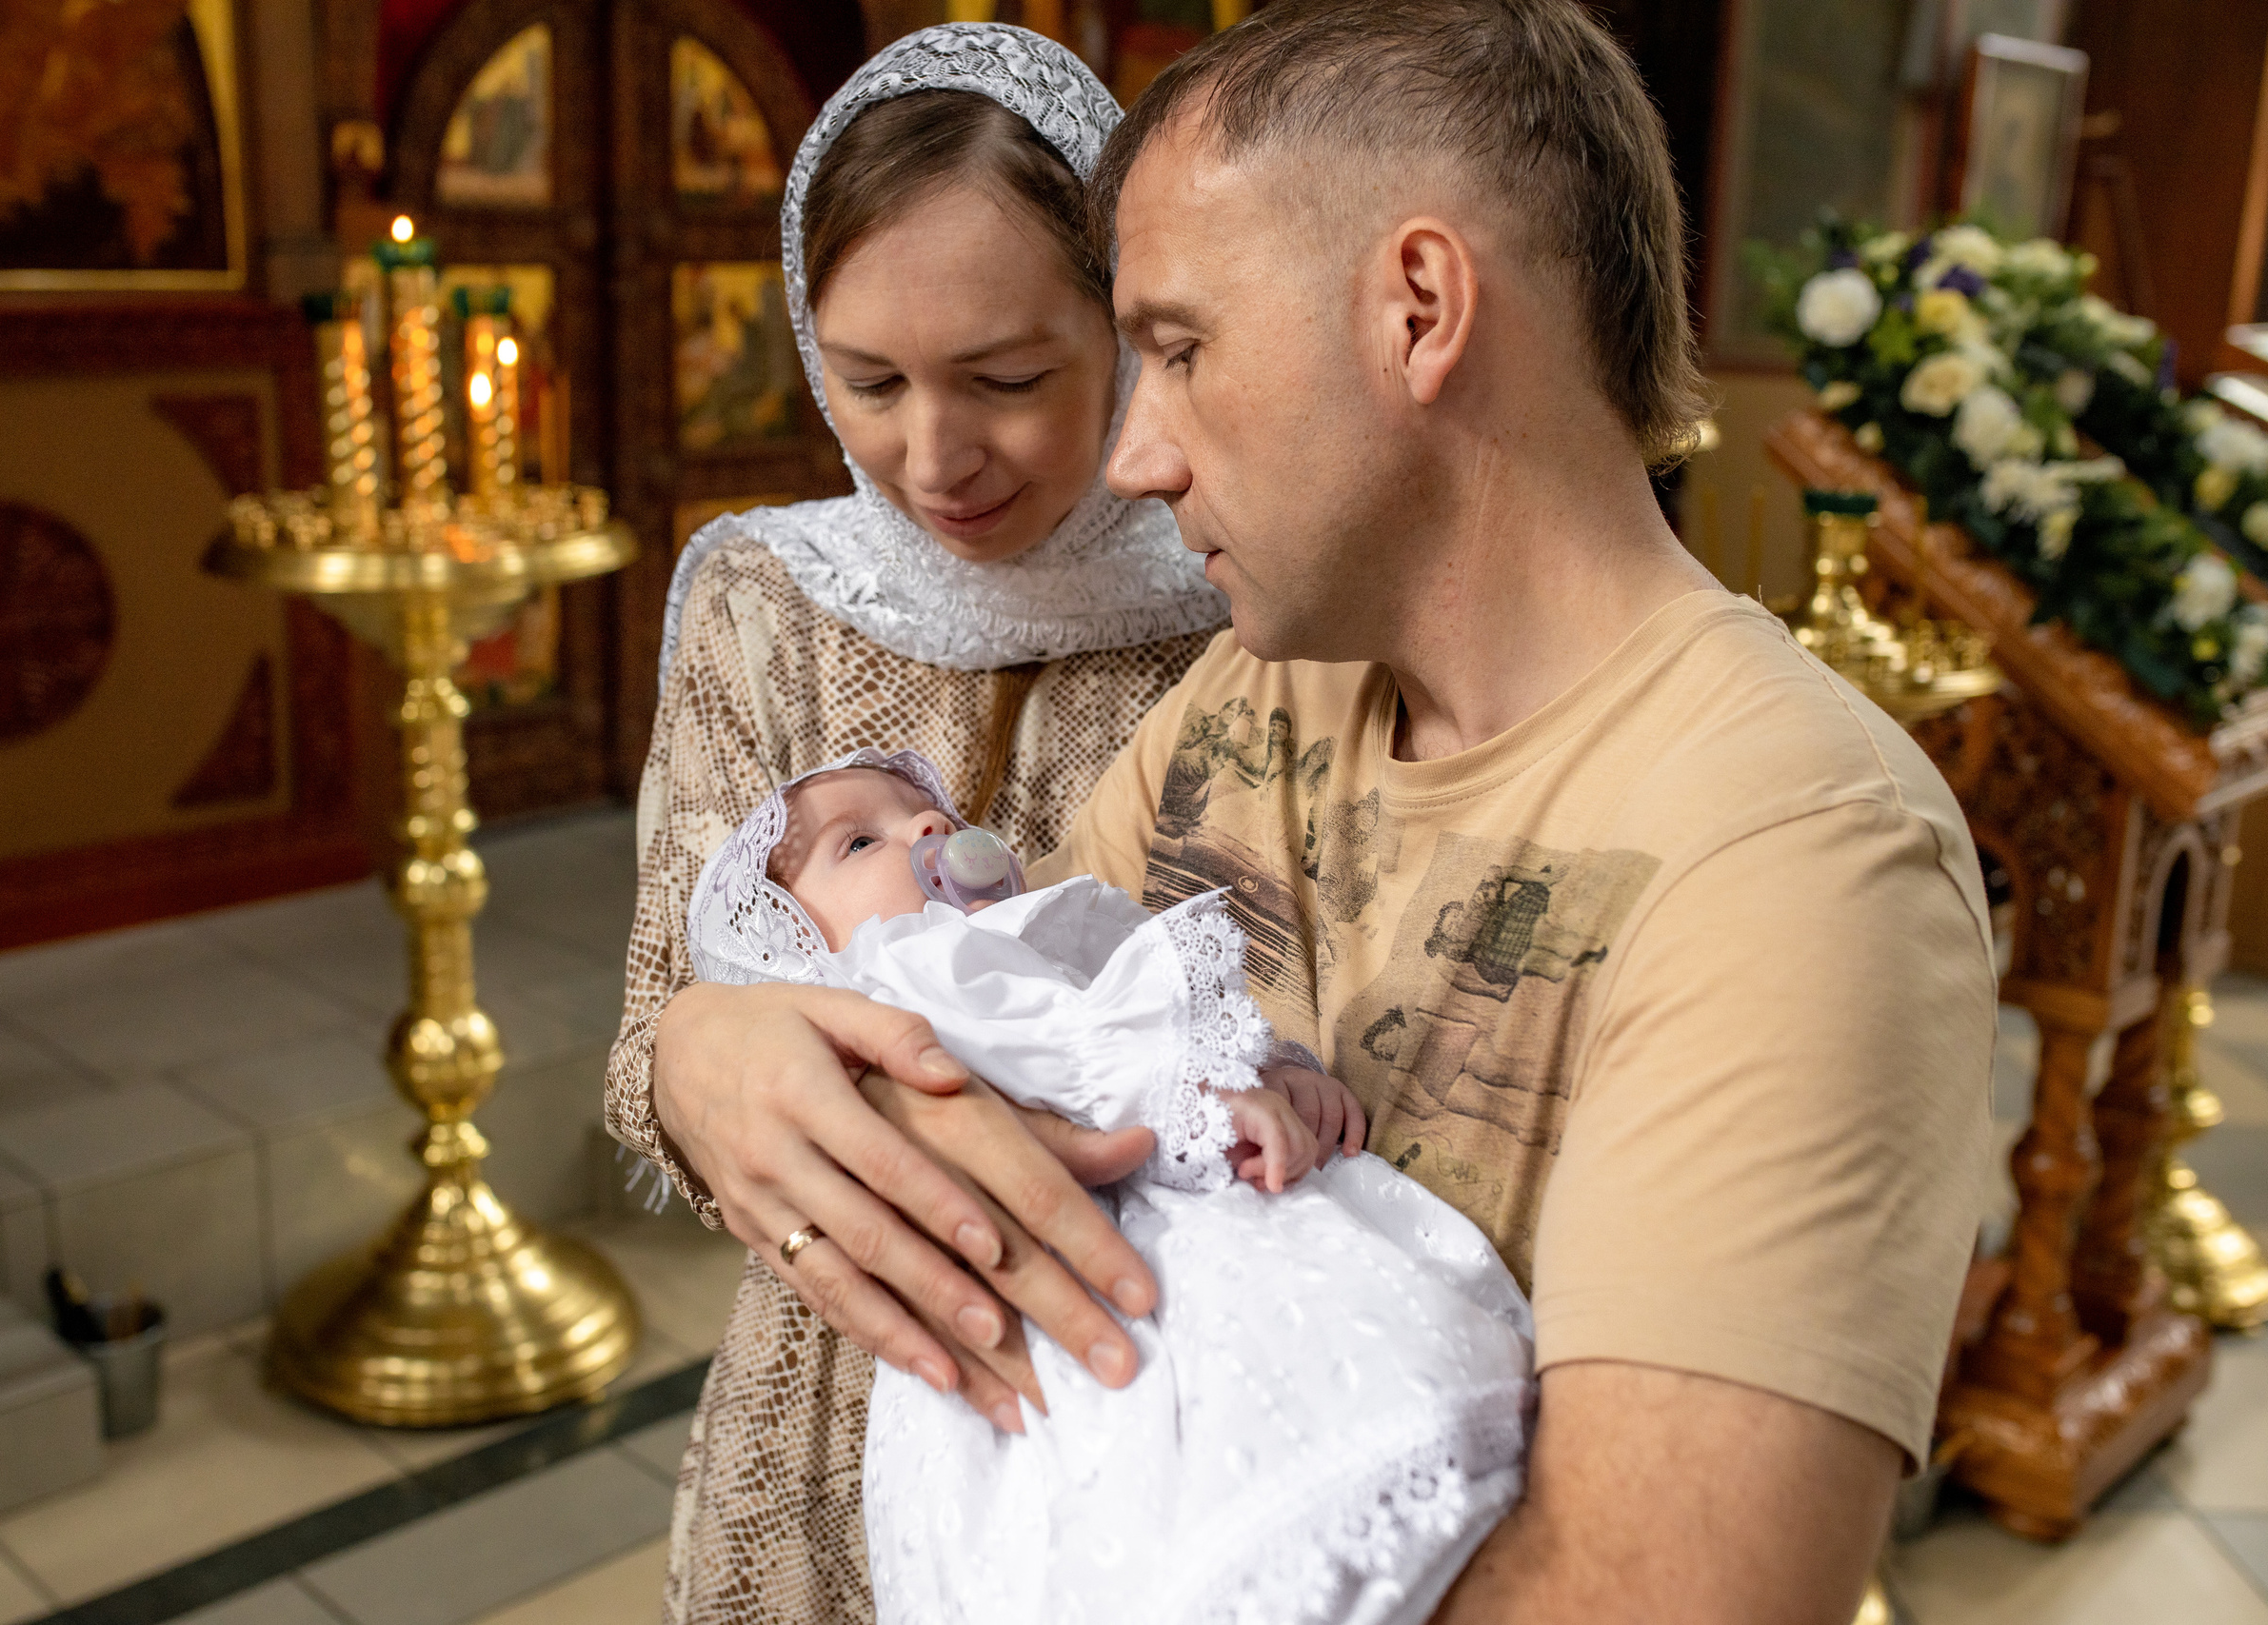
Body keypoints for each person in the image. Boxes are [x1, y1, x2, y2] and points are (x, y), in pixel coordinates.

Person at [649, 3, 1997, 1621]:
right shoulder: (1263, 689)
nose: (1136, 455)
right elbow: (1000, 1043)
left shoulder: (1798, 854)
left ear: (1419, 310)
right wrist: (708, 1049)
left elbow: (1644, 1593)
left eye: (1181, 348)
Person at [602, 25, 1233, 1625]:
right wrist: (694, 1054)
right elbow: (652, 1030)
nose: (934, 458)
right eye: (870, 381)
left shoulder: (1247, 605)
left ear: (1127, 327)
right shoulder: (768, 604)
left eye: (1008, 381)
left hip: (1154, 1366)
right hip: (835, 1363)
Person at [692, 749, 1533, 1625]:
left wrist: (1269, 1069)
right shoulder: (903, 971)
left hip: (1162, 1199)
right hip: (1096, 1257)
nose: (929, 826)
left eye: (922, 809)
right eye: (861, 841)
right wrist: (1205, 1095)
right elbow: (1075, 1054)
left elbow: (1150, 1014)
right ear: (798, 955)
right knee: (1161, 1456)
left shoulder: (1017, 937)